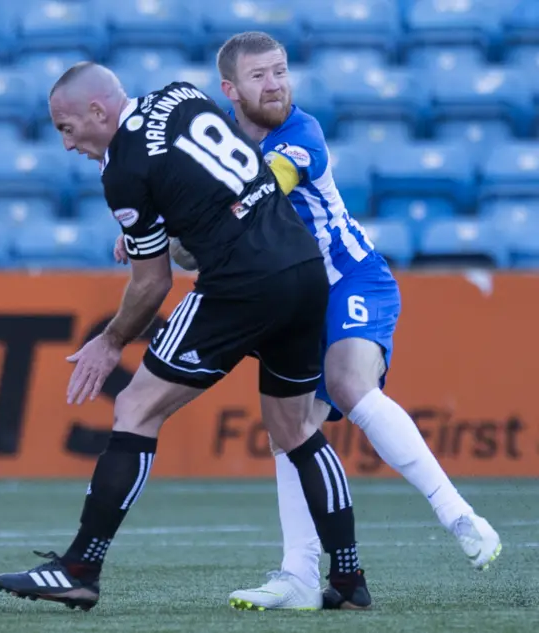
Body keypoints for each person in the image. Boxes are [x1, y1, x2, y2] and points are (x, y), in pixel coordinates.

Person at [118, 32, 502, 611]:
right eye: (259, 77)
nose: (275, 85)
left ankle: (460, 516)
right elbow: (197, 244)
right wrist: (155, 237)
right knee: (288, 431)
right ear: (230, 90)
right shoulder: (213, 143)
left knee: (349, 384)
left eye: (280, 72)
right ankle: (299, 575)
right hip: (291, 297)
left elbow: (262, 190)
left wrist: (170, 224)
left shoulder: (301, 133)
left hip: (350, 279)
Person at [0, 61, 371, 612]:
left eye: (67, 128)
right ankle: (350, 578)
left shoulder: (122, 168)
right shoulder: (180, 95)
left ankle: (79, 568)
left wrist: (111, 340)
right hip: (304, 269)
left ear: (98, 111)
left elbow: (152, 283)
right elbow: (208, 178)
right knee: (295, 429)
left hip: (240, 283)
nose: (67, 144)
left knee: (135, 408)